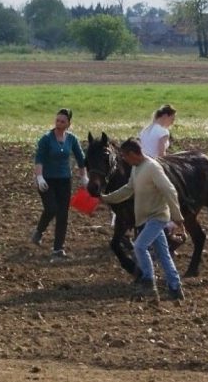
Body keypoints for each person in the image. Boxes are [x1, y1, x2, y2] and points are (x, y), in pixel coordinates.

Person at [99, 138, 186, 302]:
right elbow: (128, 189)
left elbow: (170, 190)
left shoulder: (152, 167)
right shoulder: (136, 168)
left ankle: (148, 280)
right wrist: (107, 198)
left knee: (139, 246)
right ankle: (175, 288)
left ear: (133, 154)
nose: (124, 160)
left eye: (125, 156)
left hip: (157, 217)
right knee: (163, 255)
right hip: (146, 218)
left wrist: (177, 216)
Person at [31, 108, 88, 259]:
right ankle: (39, 231)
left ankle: (58, 249)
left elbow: (81, 159)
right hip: (47, 180)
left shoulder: (72, 139)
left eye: (62, 121)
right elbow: (39, 159)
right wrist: (39, 177)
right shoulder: (46, 139)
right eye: (57, 120)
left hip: (64, 180)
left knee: (63, 214)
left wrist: (84, 176)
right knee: (51, 208)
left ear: (68, 124)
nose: (59, 123)